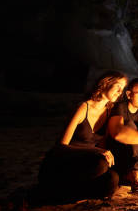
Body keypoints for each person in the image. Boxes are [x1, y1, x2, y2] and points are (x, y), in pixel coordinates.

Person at [38, 71, 127, 202]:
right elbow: (61, 146)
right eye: (118, 87)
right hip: (65, 160)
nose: (120, 92)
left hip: (85, 163)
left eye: (123, 89)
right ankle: (57, 190)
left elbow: (102, 145)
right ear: (106, 83)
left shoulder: (109, 111)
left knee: (112, 178)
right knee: (100, 165)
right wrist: (98, 151)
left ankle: (66, 194)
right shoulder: (83, 107)